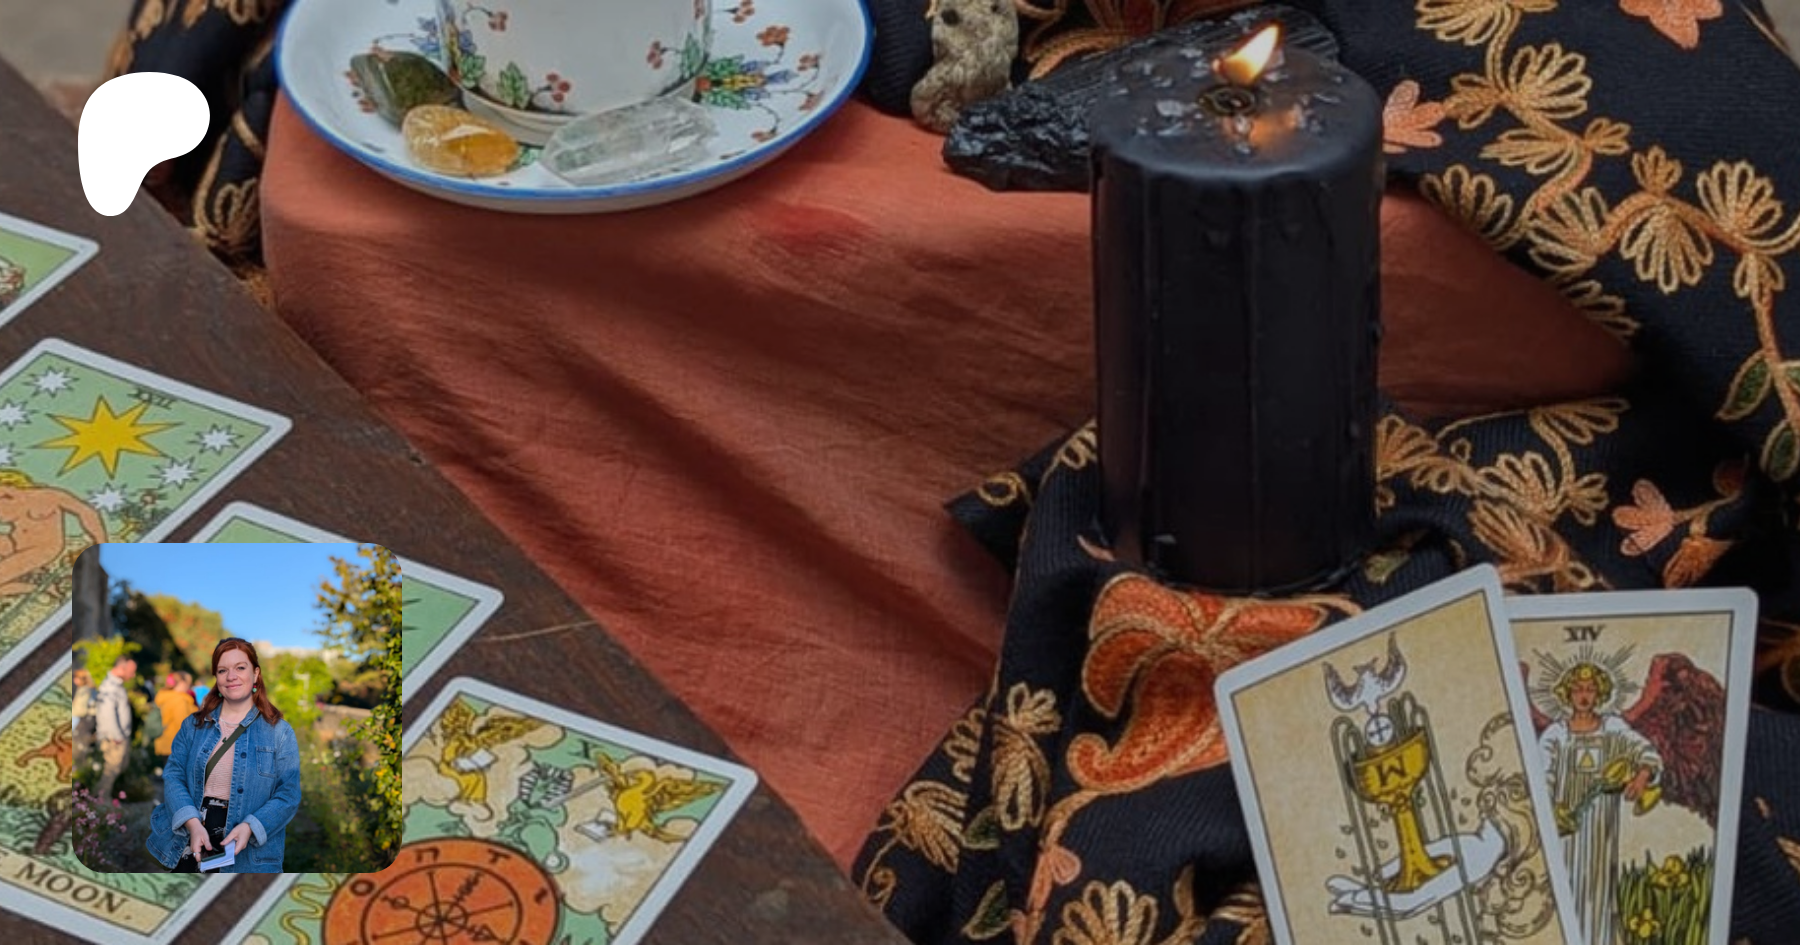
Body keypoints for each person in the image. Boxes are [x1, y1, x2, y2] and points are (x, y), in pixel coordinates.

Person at [146, 639, 300, 873]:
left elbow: (288, 794)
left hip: (245, 851)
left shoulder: (279, 732)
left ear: (256, 674)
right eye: (222, 670)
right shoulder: (193, 726)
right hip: (192, 837)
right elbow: (174, 775)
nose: (231, 676)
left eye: (240, 667)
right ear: (216, 678)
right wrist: (192, 823)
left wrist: (251, 827)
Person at [1538, 662, 1662, 945]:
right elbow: (1541, 773)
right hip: (1564, 828)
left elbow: (1644, 750)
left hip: (1601, 827)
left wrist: (1642, 775)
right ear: (1567, 694)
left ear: (1600, 693)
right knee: (1563, 883)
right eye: (1578, 689)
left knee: (1599, 887)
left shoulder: (1612, 728)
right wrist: (1552, 810)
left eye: (1590, 689)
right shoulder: (1556, 734)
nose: (1584, 696)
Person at [93, 656, 136, 801]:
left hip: (118, 736)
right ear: (121, 669)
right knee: (110, 770)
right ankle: (100, 801)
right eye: (131, 671)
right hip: (114, 738)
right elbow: (107, 713)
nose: (133, 675)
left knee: (116, 769)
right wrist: (116, 736)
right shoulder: (110, 687)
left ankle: (100, 799)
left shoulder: (116, 685)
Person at [153, 672, 197, 763]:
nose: (189, 686)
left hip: (166, 743)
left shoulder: (166, 696)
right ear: (182, 683)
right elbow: (183, 725)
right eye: (188, 683)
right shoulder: (179, 700)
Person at [69, 667, 98, 766]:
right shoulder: (86, 689)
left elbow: (81, 709)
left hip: (79, 719)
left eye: (76, 678)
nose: (74, 680)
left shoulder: (85, 691)